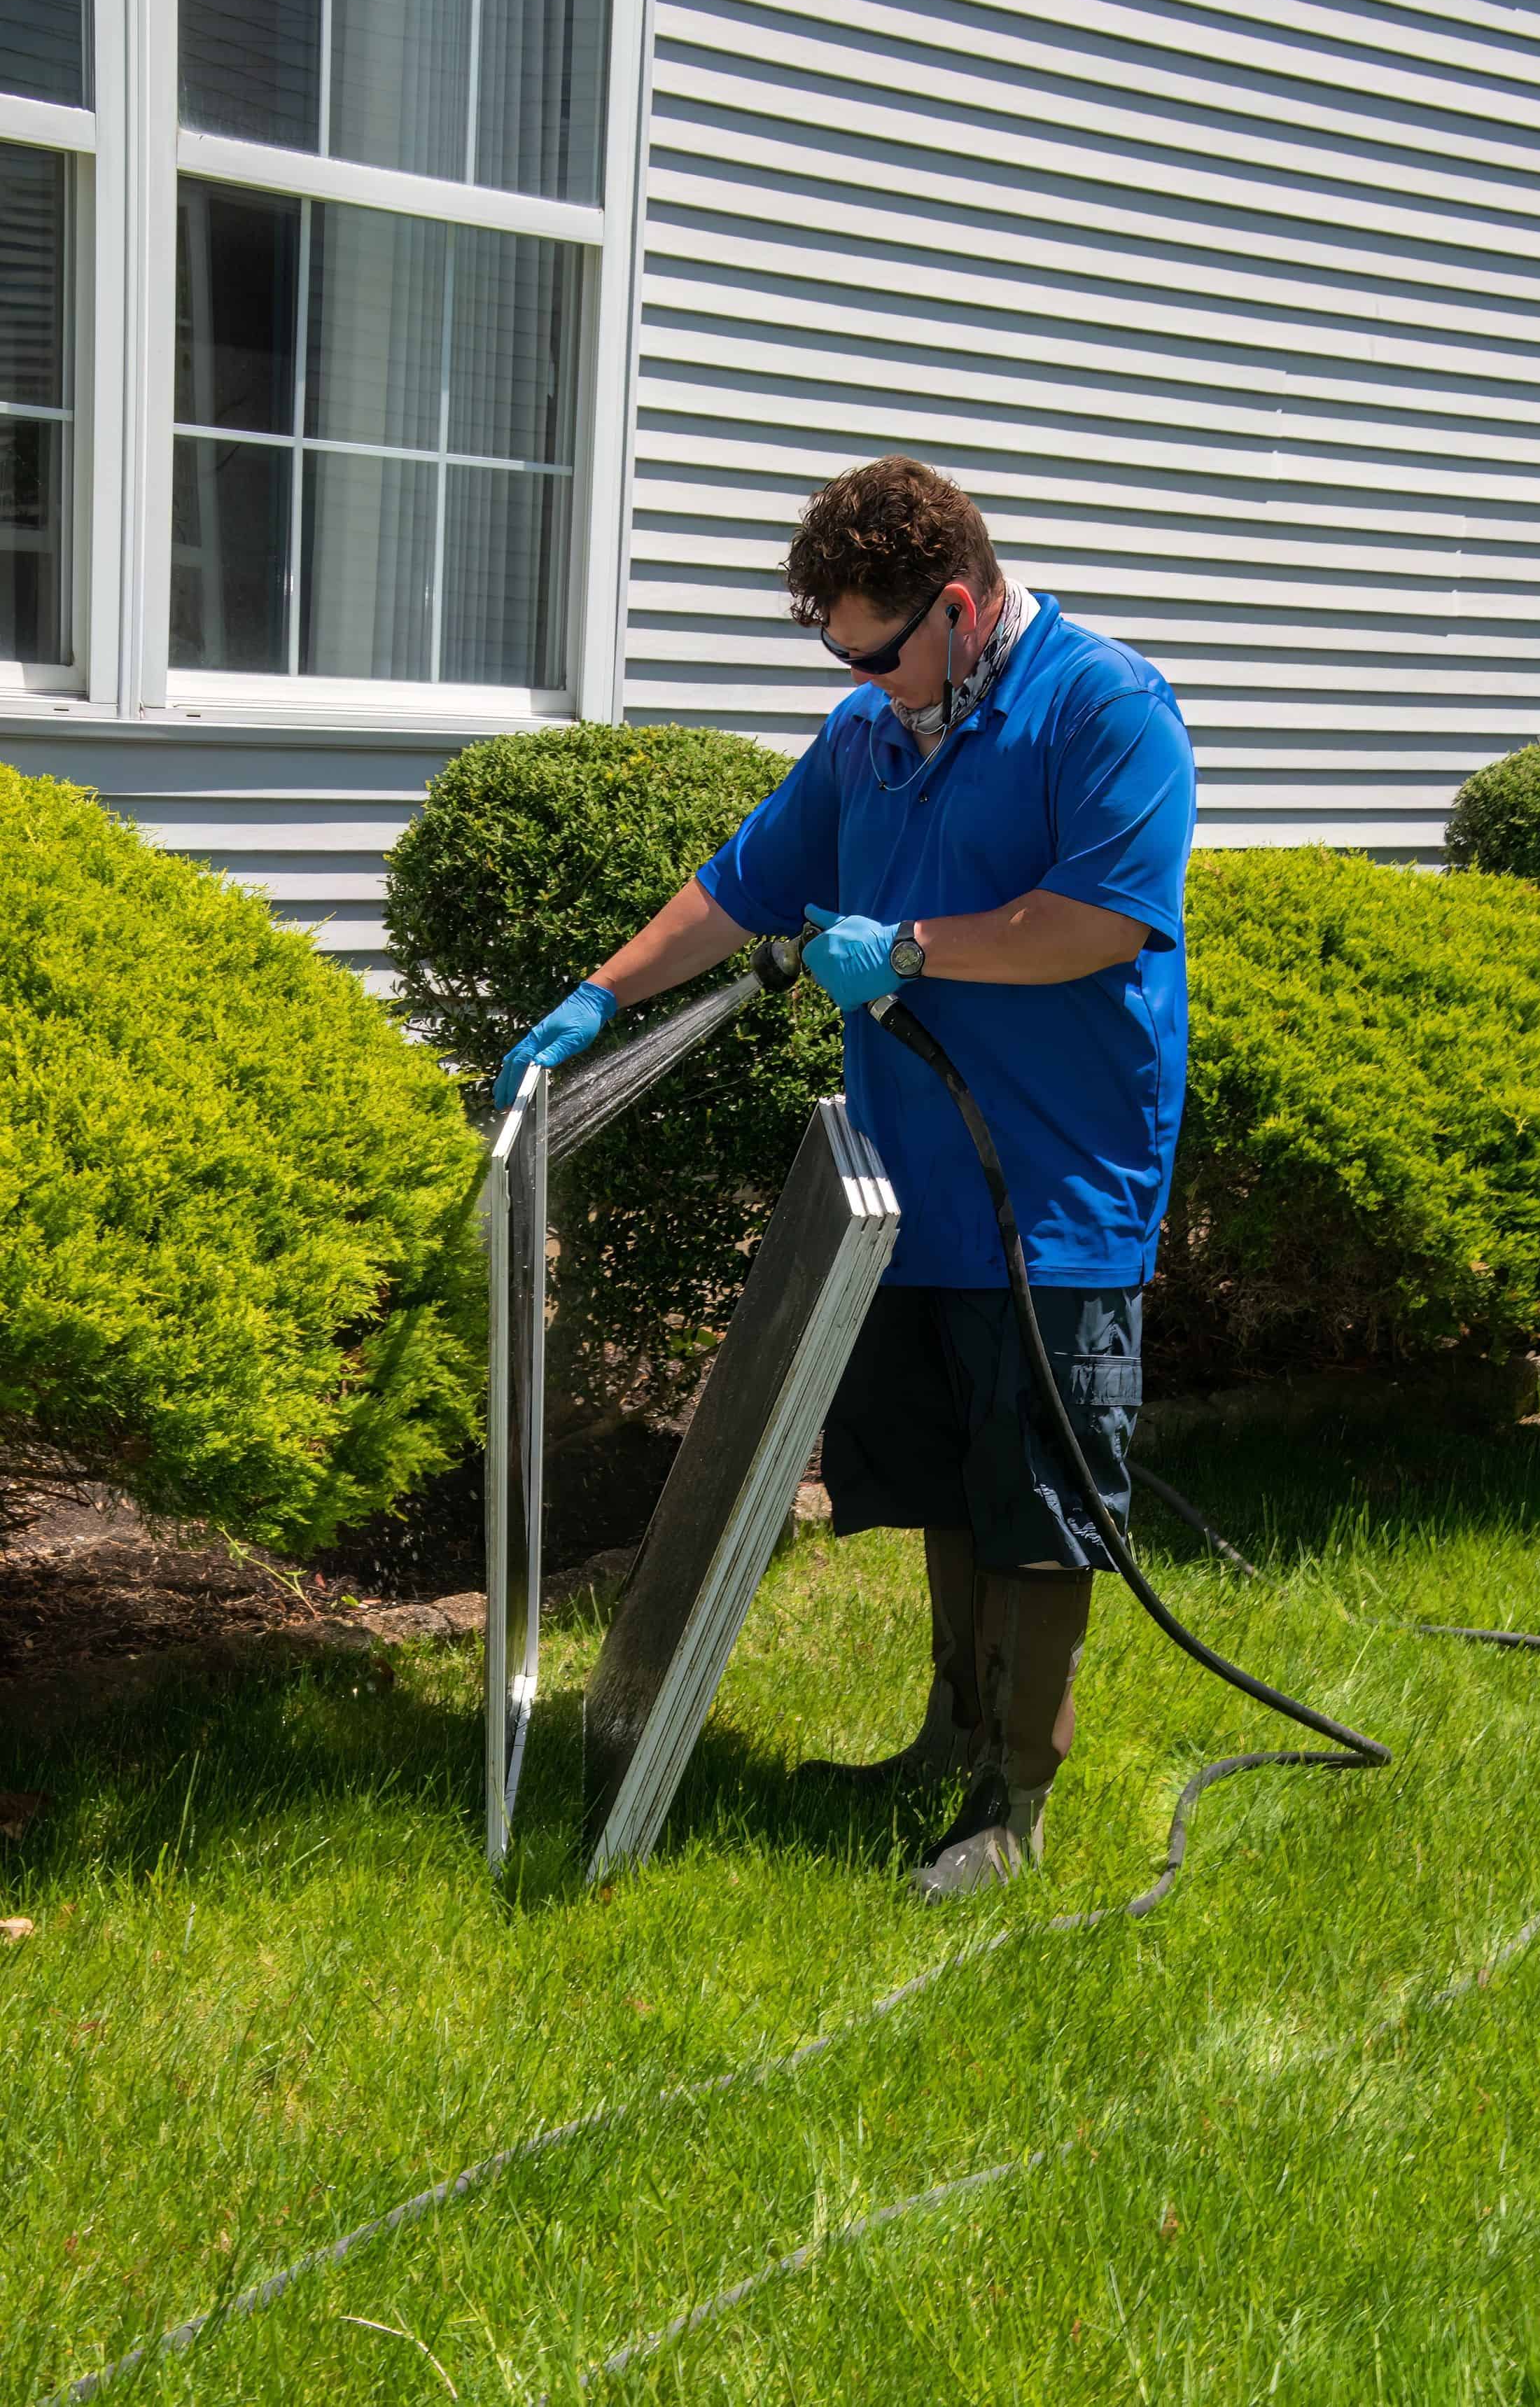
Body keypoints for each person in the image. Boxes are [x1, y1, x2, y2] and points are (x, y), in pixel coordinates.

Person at [494, 456, 1196, 1901]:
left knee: (1039, 1496)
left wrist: (920, 948)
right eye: (844, 661)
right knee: (948, 1476)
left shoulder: (1104, 705)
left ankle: (1014, 1801)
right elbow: (738, 886)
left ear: (956, 604)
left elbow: (1102, 924)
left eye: (880, 653)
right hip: (914, 1185)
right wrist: (596, 995)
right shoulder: (872, 737)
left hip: (1054, 1192)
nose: (868, 684)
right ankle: (948, 1737)